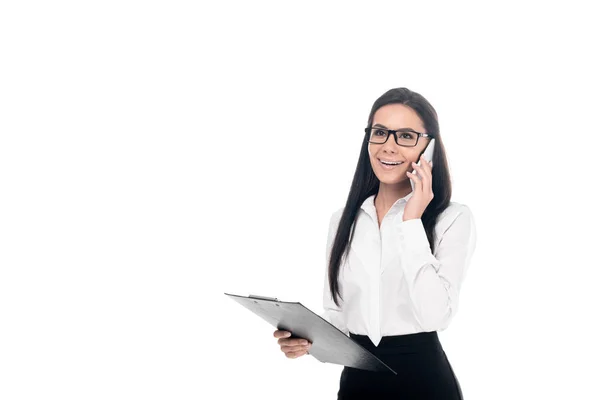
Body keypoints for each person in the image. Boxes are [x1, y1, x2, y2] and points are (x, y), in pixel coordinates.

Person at [273, 87, 476, 399]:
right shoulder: (343, 220)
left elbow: (435, 317)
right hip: (358, 383)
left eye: (406, 136)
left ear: (429, 147)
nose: (389, 147)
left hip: (424, 382)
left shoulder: (452, 218)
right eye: (380, 132)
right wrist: (306, 341)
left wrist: (411, 220)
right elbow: (340, 316)